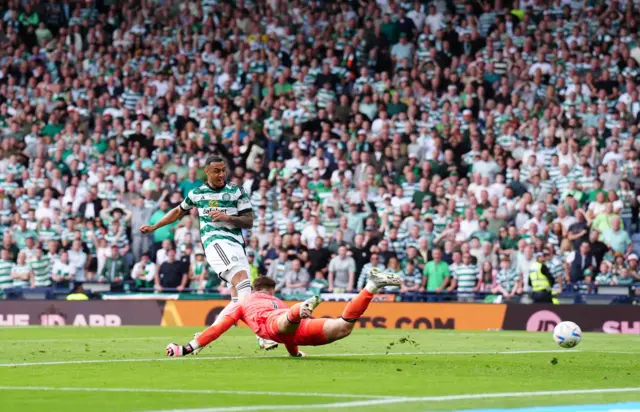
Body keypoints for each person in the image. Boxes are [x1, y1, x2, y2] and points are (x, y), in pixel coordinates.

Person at [166, 269, 401, 357]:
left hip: (277, 324)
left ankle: (301, 308)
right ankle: (371, 286)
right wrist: (294, 354)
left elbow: (217, 329)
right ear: (271, 290)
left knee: (283, 321)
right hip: (295, 328)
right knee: (343, 327)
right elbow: (288, 336)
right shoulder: (277, 300)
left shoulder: (243, 303)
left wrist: (188, 347)